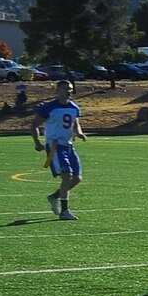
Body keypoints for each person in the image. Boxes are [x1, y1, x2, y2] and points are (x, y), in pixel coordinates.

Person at [30, 79, 88, 219]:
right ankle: (64, 211)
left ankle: (54, 197)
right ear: (57, 91)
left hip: (68, 145)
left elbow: (75, 124)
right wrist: (37, 142)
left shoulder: (74, 107)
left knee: (77, 179)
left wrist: (79, 133)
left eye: (70, 89)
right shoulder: (48, 108)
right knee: (66, 176)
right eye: (65, 89)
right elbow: (34, 125)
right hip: (54, 146)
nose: (68, 91)